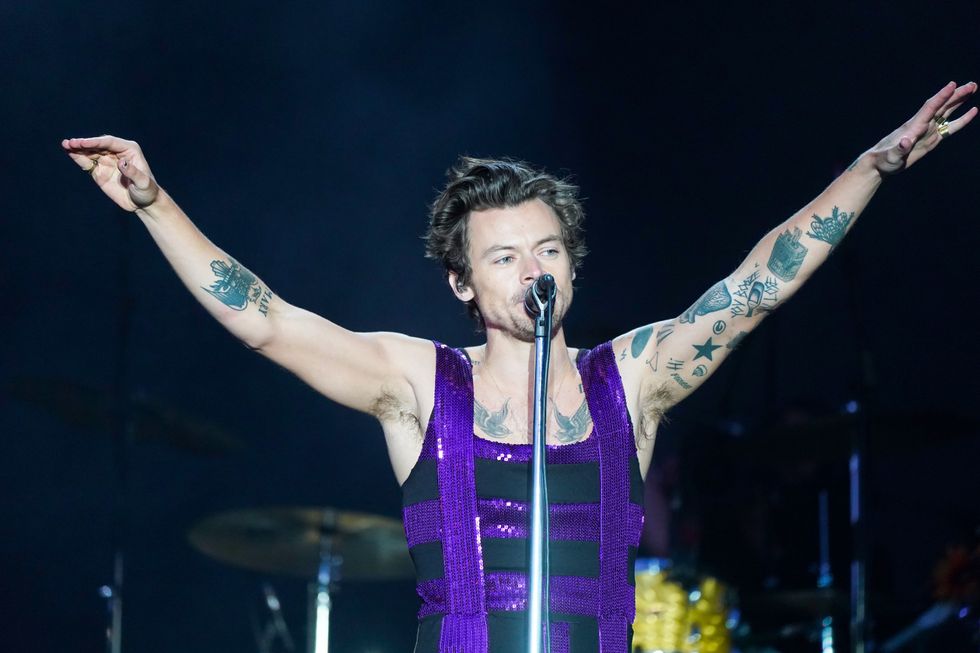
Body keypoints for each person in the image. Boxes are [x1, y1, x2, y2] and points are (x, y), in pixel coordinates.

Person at [62, 81, 976, 652]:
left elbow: (754, 287)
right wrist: (155, 206)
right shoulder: (418, 382)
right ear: (461, 280)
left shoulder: (636, 376)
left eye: (547, 250)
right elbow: (266, 321)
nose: (533, 269)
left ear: (572, 264)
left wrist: (873, 169)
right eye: (504, 256)